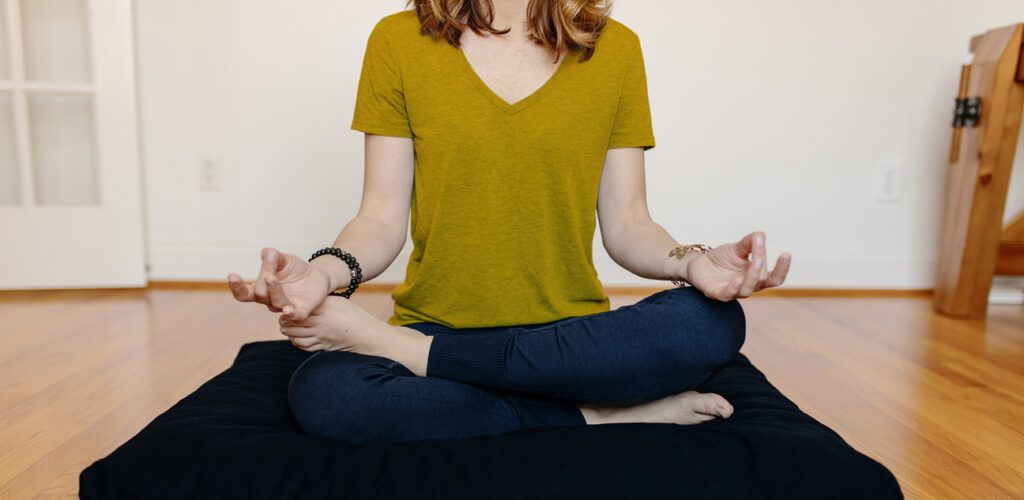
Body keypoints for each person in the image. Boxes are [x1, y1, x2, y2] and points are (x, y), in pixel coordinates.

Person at [227, 0, 791, 443]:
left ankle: (421, 361)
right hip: (438, 325)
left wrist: (693, 263)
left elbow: (629, 224)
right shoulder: (398, 41)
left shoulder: (615, 49)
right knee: (332, 396)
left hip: (569, 343)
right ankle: (596, 418)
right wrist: (322, 277)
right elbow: (378, 217)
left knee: (711, 323)